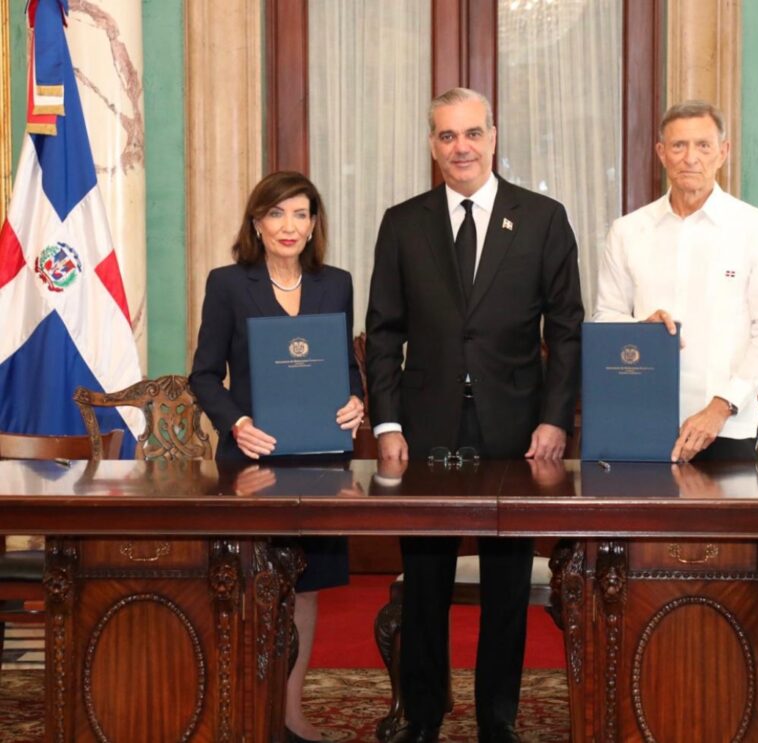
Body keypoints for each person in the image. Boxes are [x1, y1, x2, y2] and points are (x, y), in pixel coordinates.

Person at [365, 87, 583, 743]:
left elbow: (566, 330)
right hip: (425, 433)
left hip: (515, 433)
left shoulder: (542, 217)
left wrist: (553, 419)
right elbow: (382, 332)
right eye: (446, 136)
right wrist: (387, 423)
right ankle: (424, 714)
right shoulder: (403, 222)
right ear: (432, 145)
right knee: (425, 580)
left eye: (471, 133)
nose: (460, 147)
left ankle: (499, 717)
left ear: (493, 134)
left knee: (507, 584)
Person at [189, 170, 365, 743]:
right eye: (277, 214)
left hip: (317, 461)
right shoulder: (228, 283)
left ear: (314, 224)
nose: (289, 226)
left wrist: (356, 402)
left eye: (301, 214)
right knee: (245, 582)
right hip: (252, 460)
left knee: (306, 587)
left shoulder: (335, 283)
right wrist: (236, 423)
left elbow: (346, 368)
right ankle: (239, 709)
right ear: (257, 223)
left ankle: (291, 712)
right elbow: (204, 375)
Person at [593, 100, 758, 463]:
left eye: (703, 145)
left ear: (723, 152)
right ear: (661, 153)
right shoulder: (627, 231)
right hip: (641, 422)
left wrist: (721, 406)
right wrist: (639, 328)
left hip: (727, 428)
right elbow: (605, 318)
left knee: (722, 524)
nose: (690, 158)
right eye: (678, 146)